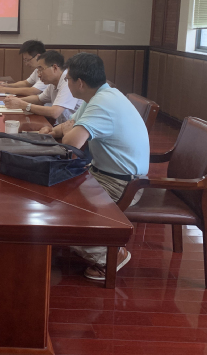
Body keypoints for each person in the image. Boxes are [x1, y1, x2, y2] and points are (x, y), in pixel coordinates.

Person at [40, 52, 149, 281]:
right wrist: (51, 132)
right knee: (51, 193)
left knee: (58, 212)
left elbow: (72, 141)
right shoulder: (101, 95)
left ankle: (109, 255)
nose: (66, 83)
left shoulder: (103, 104)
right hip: (103, 173)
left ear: (80, 83)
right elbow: (71, 125)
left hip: (123, 184)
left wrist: (65, 131)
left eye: (68, 79)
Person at [2, 50, 81, 125]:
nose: (39, 75)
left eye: (41, 70)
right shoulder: (53, 83)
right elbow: (39, 99)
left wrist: (24, 105)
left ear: (55, 68)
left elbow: (54, 112)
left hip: (75, 130)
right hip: (63, 127)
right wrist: (16, 100)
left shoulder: (67, 81)